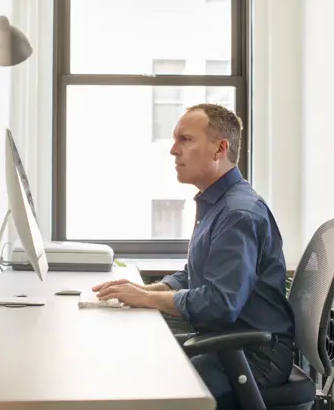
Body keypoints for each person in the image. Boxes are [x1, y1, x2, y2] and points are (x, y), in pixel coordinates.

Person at [92, 103, 295, 405]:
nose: (173, 150)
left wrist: (147, 299)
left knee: (144, 392)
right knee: (132, 363)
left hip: (253, 357)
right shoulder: (218, 203)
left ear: (219, 149)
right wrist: (144, 289)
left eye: (185, 139)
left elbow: (220, 303)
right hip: (228, 343)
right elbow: (194, 272)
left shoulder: (238, 213)